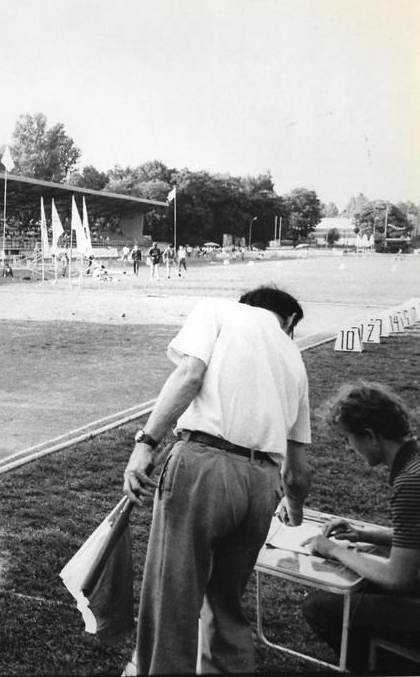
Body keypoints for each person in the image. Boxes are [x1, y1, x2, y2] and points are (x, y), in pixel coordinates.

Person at [123, 285, 313, 674]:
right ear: (289, 320)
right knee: (226, 602)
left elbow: (189, 374)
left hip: (205, 466)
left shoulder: (218, 310)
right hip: (264, 482)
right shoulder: (292, 354)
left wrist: (146, 443)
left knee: (172, 596)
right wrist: (293, 511)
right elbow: (298, 469)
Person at [302, 381, 420, 672]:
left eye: (348, 439)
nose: (348, 447)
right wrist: (364, 534)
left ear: (369, 436)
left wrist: (333, 550)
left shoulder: (409, 482)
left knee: (320, 607)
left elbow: (399, 578)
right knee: (364, 581)